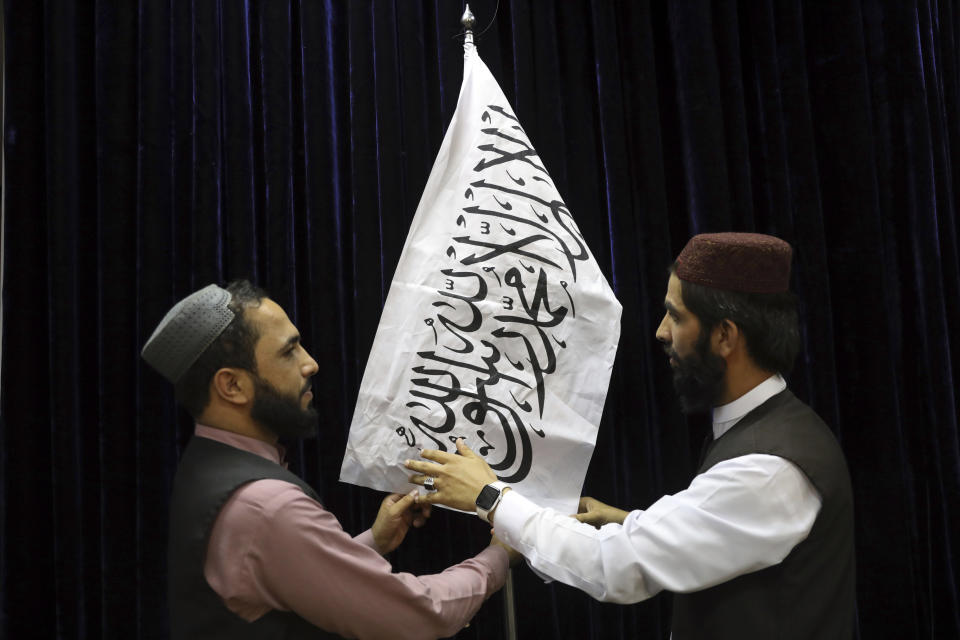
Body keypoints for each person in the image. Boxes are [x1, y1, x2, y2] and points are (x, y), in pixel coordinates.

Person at [405, 232, 856, 638]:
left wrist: (489, 497)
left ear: (724, 336)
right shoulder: (762, 431)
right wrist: (626, 520)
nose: (661, 332)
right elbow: (716, 534)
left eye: (675, 317)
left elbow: (614, 566)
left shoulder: (768, 468)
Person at [141, 280, 514, 639]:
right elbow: (419, 615)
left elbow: (275, 576)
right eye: (289, 352)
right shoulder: (266, 507)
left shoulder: (206, 464)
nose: (312, 364)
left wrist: (373, 542)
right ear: (232, 386)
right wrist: (500, 554)